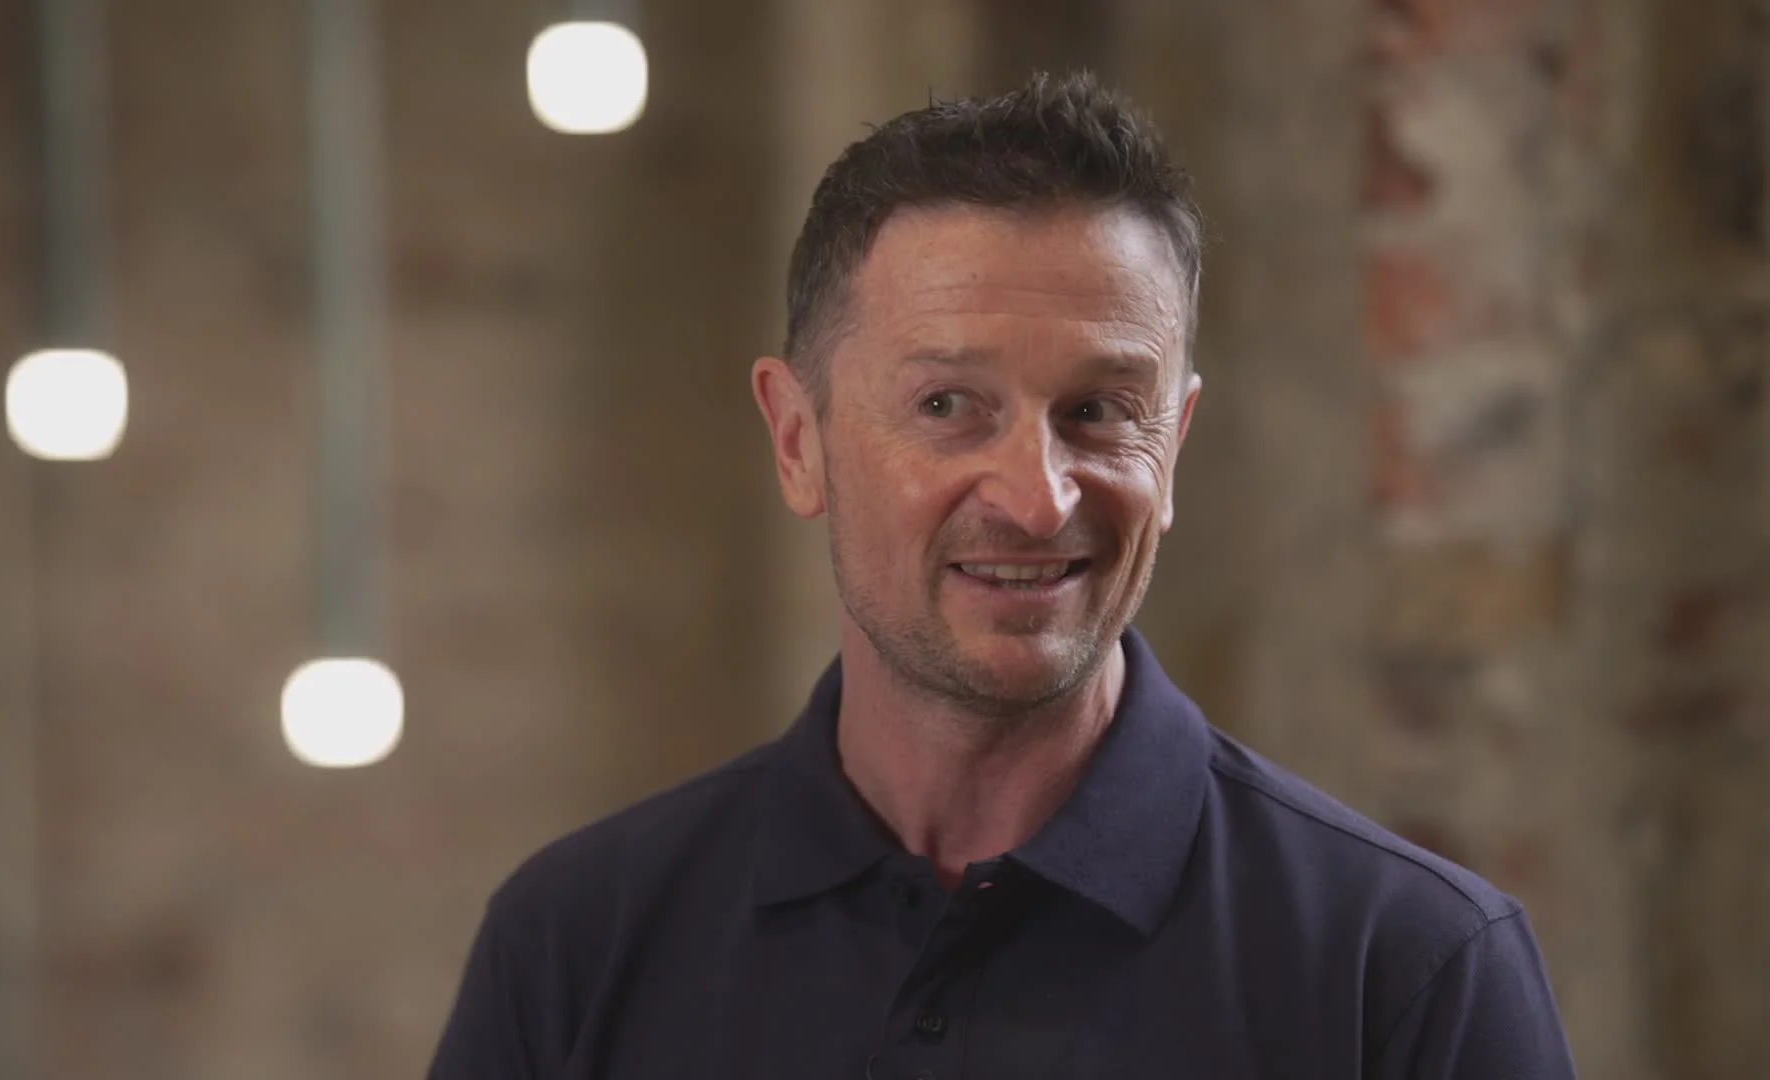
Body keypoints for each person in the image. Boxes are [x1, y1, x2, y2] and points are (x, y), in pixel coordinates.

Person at [427, 72, 1576, 1079]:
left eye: (1099, 412)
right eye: (946, 406)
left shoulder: (1412, 970)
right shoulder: (577, 945)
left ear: (1173, 445)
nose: (1037, 498)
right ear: (798, 440)